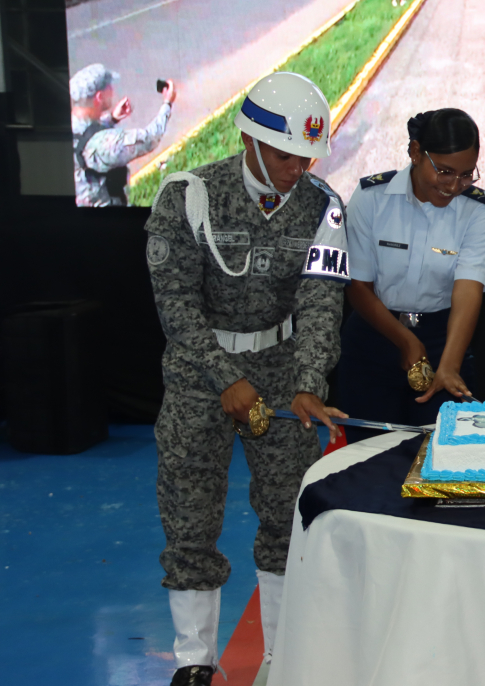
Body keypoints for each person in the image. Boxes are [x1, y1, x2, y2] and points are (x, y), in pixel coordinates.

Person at [144, 72, 350, 686]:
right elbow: (175, 303)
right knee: (189, 513)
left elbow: (320, 302)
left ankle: (280, 656)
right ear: (250, 140)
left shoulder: (323, 205)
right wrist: (224, 378)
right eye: (286, 154)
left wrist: (308, 382)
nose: (298, 167)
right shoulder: (188, 197)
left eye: (308, 155)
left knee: (287, 514)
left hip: (283, 369)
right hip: (197, 374)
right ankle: (193, 661)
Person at [340, 110, 485, 442]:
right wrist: (406, 340)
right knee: (367, 460)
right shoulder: (371, 198)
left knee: (443, 457)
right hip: (374, 335)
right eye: (444, 171)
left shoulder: (479, 210)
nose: (455, 186)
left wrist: (450, 366)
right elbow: (358, 287)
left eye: (467, 175)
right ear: (415, 152)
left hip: (444, 339)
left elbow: (468, 290)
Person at [70, 64, 177, 207]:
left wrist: (112, 118)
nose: (113, 90)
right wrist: (167, 103)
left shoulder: (73, 124)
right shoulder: (106, 145)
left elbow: (87, 135)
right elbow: (149, 139)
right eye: (109, 87)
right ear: (99, 97)